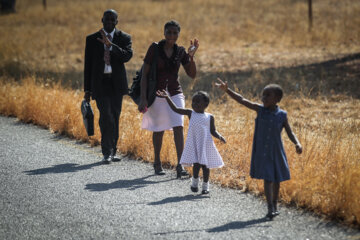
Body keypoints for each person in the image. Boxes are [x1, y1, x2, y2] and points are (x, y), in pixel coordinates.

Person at [215, 78, 302, 220]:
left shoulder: (282, 115)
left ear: (277, 99)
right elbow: (242, 100)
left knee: (277, 179)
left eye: (268, 95)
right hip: (263, 152)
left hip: (276, 152)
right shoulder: (260, 110)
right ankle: (269, 207)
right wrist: (227, 90)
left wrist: (297, 143)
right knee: (268, 179)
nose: (264, 98)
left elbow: (290, 132)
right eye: (263, 95)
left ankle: (274, 204)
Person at [138, 20, 199, 177]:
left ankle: (180, 166)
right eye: (169, 32)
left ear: (178, 35)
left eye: (175, 33)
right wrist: (143, 98)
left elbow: (192, 74)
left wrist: (191, 57)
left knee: (178, 125)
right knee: (158, 129)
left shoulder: (180, 51)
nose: (172, 35)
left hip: (174, 92)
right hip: (157, 93)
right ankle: (157, 163)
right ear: (164, 33)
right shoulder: (154, 48)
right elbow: (144, 73)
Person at [84, 9, 133, 164]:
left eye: (113, 20)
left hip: (116, 84)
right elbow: (88, 66)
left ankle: (113, 150)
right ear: (102, 20)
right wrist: (87, 89)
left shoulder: (124, 38)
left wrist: (111, 46)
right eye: (107, 19)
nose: (109, 22)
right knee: (106, 116)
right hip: (100, 83)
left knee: (115, 116)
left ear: (117, 22)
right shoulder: (92, 39)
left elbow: (127, 56)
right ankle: (107, 152)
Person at [157, 90, 226, 194]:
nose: (194, 104)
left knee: (206, 166)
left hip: (205, 145)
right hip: (195, 144)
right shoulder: (190, 113)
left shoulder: (209, 117)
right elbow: (176, 109)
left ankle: (205, 187)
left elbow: (213, 131)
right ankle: (194, 183)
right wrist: (167, 98)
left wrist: (220, 137)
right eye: (193, 101)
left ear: (206, 104)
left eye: (198, 102)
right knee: (196, 165)